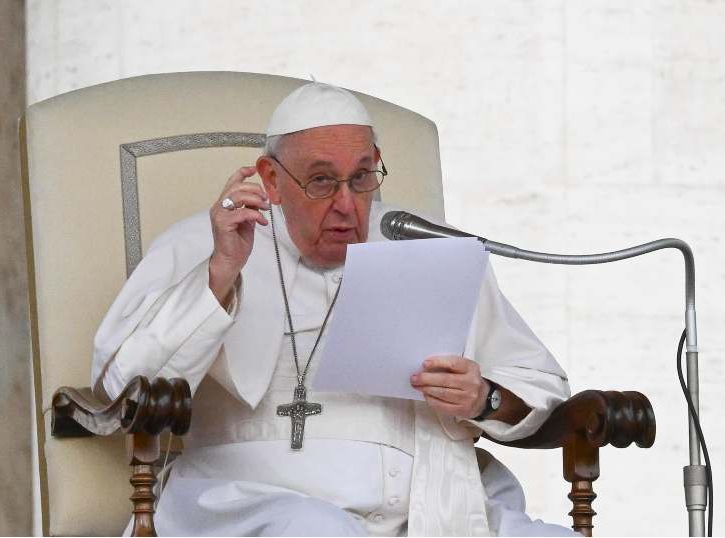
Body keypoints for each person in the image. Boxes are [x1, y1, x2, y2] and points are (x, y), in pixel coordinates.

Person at [92, 82, 575, 536]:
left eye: (361, 178)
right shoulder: (204, 241)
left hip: (431, 503)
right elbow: (123, 389)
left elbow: (540, 386)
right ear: (271, 180)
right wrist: (219, 275)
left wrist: (484, 398)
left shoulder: (422, 243)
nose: (347, 204)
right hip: (260, 502)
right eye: (321, 181)